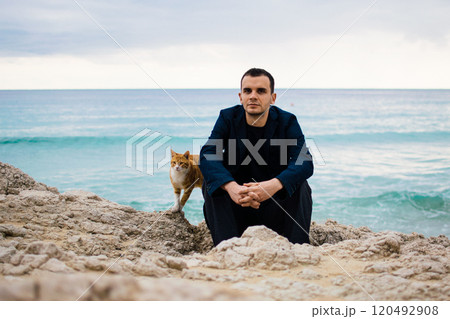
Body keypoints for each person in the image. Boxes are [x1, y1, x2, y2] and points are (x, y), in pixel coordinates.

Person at [199, 68, 313, 246]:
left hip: (274, 210)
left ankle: (298, 247)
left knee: (300, 184)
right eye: (247, 91)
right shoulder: (227, 117)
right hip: (235, 208)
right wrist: (232, 188)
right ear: (240, 96)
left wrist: (272, 186)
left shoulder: (287, 121)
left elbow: (305, 162)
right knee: (212, 183)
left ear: (272, 98)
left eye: (261, 91)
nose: (253, 96)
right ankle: (227, 247)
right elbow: (207, 155)